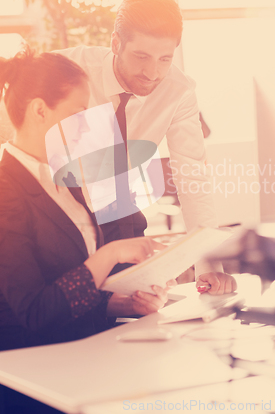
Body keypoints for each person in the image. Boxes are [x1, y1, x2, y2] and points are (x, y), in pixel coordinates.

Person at [56, 0, 237, 295]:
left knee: (140, 305)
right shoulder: (68, 70)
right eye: (141, 57)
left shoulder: (178, 91)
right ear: (116, 43)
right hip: (61, 212)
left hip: (121, 214)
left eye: (164, 59)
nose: (153, 73)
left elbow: (193, 176)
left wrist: (208, 265)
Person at [0, 47, 170, 355]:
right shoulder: (5, 191)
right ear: (40, 111)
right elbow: (35, 313)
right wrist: (111, 253)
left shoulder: (64, 178)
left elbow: (68, 286)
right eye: (78, 114)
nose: (87, 126)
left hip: (88, 352)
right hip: (36, 370)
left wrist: (125, 303)